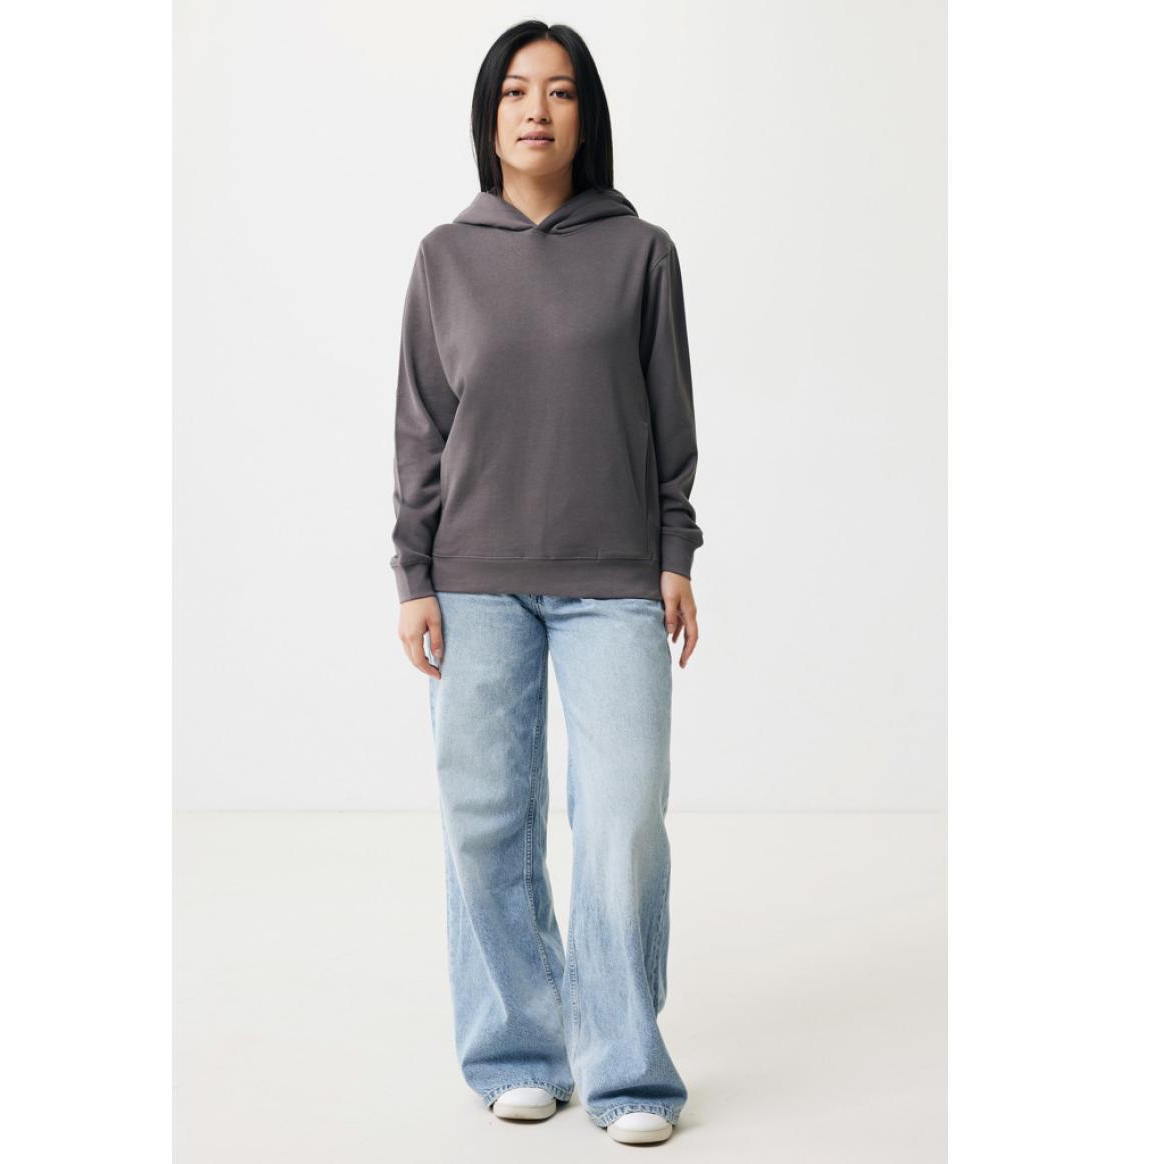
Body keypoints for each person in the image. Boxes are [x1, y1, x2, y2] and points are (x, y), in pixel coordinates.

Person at [389, 20, 704, 1147]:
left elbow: (671, 422)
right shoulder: (446, 256)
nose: (537, 110)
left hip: (614, 580)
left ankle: (627, 1070)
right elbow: (421, 429)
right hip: (473, 581)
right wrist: (412, 572)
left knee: (620, 818)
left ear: (586, 117)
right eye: (517, 91)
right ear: (489, 118)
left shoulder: (641, 252)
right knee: (485, 819)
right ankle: (519, 1051)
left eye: (561, 92)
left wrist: (674, 555)